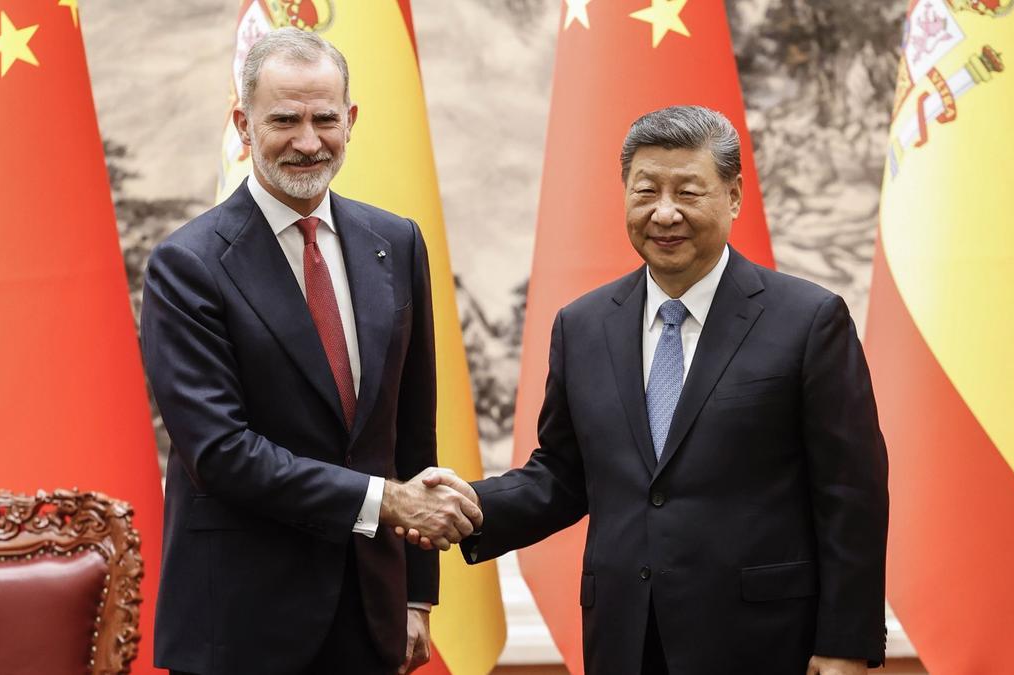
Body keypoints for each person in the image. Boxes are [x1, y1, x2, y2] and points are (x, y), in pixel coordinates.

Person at [414, 106, 889, 674]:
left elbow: (851, 495)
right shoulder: (583, 325)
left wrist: (846, 643)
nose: (665, 213)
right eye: (646, 192)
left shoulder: (808, 321)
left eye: (688, 192)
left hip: (764, 643)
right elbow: (563, 474)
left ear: (733, 197)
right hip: (626, 640)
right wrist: (471, 506)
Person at [141, 28, 481, 675]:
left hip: (370, 613)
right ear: (243, 124)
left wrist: (416, 591)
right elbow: (219, 452)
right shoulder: (187, 266)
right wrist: (383, 501)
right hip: (240, 625)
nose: (307, 140)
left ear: (350, 120)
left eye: (325, 118)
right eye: (284, 119)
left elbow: (412, 429)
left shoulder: (396, 242)